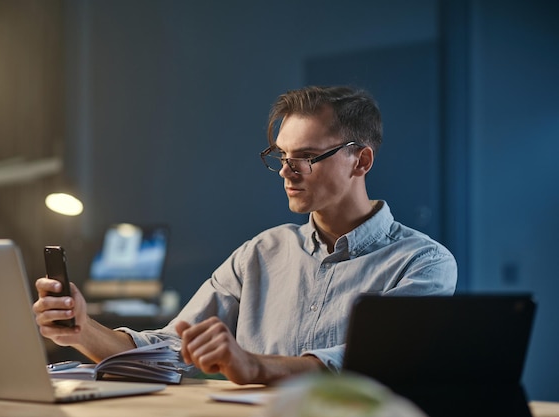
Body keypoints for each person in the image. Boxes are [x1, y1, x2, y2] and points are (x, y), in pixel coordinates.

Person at [34, 85, 457, 385]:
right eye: (282, 156)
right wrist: (82, 330)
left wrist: (254, 366)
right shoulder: (261, 253)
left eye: (307, 157)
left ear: (360, 161)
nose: (288, 173)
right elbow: (167, 351)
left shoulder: (423, 263)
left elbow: (371, 364)